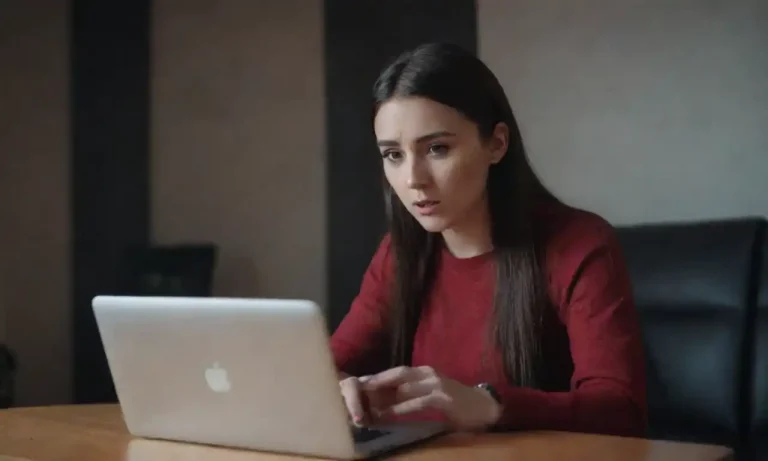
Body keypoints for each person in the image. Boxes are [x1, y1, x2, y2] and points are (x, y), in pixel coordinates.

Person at [331, 42, 647, 437]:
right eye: (393, 154)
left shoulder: (580, 245)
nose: (413, 179)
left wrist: (487, 404)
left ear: (496, 144)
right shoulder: (398, 255)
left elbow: (622, 411)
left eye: (437, 148)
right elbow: (330, 365)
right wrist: (338, 390)